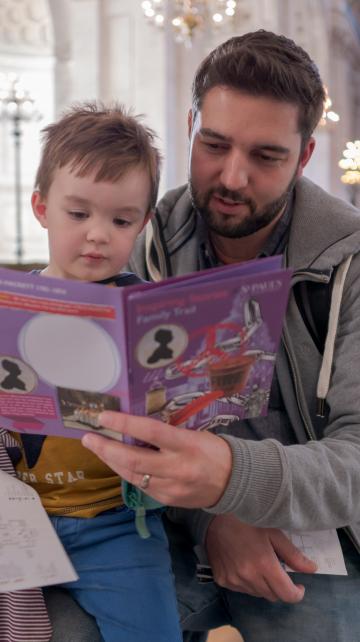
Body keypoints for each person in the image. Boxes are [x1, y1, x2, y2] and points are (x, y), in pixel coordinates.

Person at [80, 30, 360, 642]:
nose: (232, 177)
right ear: (189, 126)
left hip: (321, 537)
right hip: (174, 524)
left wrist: (234, 484)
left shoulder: (349, 263)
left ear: (306, 155)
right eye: (213, 144)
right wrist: (216, 518)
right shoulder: (145, 236)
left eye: (267, 156)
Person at [10, 102, 182, 642]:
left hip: (116, 525)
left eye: (121, 220)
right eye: (78, 214)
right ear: (42, 207)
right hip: (18, 517)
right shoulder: (10, 305)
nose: (98, 235)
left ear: (144, 224)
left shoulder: (148, 313)